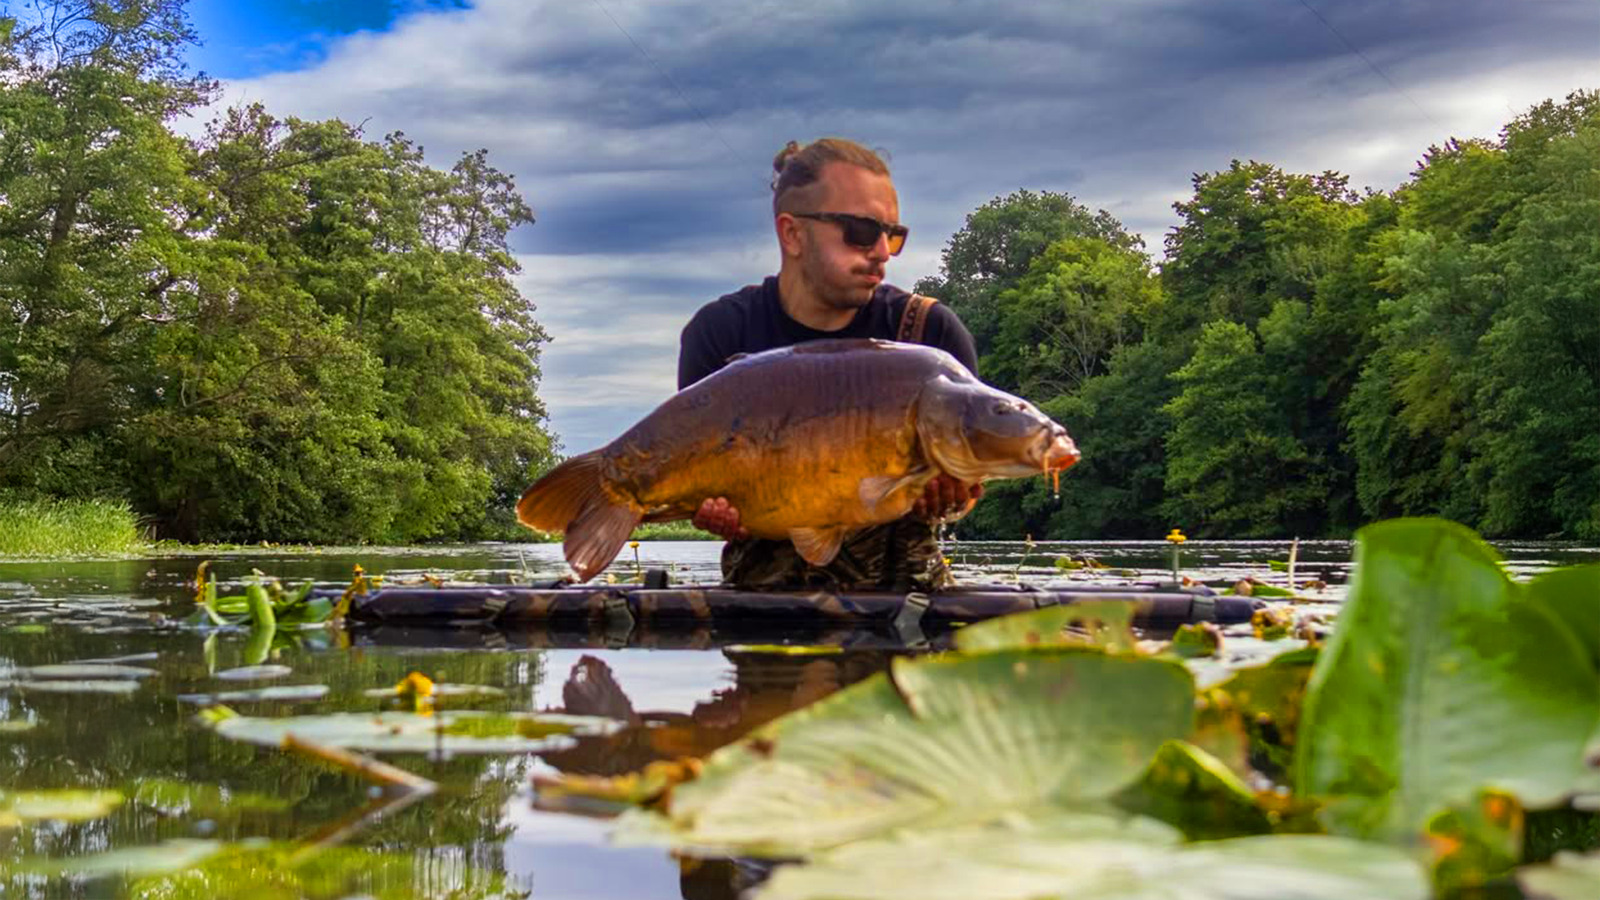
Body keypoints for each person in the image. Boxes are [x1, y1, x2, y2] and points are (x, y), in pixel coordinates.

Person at [677, 138, 983, 591]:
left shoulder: (929, 334)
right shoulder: (719, 334)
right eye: (861, 231)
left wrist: (952, 500)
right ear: (792, 234)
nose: (882, 251)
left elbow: (967, 491)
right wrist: (706, 508)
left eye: (893, 234)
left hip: (909, 600)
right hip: (761, 599)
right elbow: (696, 477)